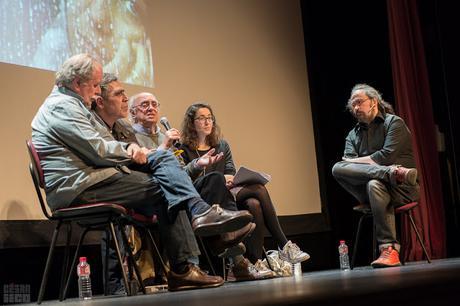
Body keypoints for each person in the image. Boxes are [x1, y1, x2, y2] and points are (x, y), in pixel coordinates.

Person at [31, 54, 253, 291]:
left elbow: (100, 147)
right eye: (95, 85)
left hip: (91, 179)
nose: (97, 92)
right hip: (78, 187)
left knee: (164, 165)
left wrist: (139, 151)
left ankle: (194, 250)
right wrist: (131, 149)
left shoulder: (72, 104)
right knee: (165, 188)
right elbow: (97, 149)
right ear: (77, 83)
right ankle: (190, 260)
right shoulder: (61, 107)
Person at [127, 92, 274, 280]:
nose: (151, 108)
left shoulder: (166, 136)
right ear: (132, 112)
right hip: (158, 193)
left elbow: (181, 173)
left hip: (181, 189)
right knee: (201, 199)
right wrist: (164, 146)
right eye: (144, 105)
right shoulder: (131, 138)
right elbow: (143, 169)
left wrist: (198, 164)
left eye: (154, 104)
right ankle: (238, 261)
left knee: (215, 178)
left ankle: (230, 235)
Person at [179, 103, 311, 273]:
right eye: (202, 118)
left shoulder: (221, 145)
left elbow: (229, 170)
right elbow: (185, 179)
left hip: (228, 193)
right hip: (206, 201)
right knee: (258, 191)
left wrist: (229, 179)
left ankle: (253, 263)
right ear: (191, 123)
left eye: (210, 118)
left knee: (254, 202)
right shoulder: (183, 149)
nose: (207, 122)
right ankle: (283, 245)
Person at [332, 83, 420, 268]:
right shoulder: (352, 135)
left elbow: (386, 155)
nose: (355, 108)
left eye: (359, 102)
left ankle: (389, 250)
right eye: (352, 104)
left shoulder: (394, 123)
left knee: (374, 185)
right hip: (370, 189)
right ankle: (391, 173)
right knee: (337, 168)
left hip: (401, 189)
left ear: (373, 102)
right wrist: (385, 170)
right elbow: (347, 168)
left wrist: (357, 163)